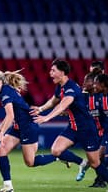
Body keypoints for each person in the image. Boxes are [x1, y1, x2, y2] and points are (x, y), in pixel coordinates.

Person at [31, 59, 108, 187]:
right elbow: (53, 101)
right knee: (56, 150)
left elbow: (62, 105)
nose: (50, 73)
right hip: (73, 128)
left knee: (95, 163)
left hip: (86, 130)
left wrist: (46, 118)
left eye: (53, 70)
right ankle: (82, 162)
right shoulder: (61, 87)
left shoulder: (71, 88)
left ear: (62, 72)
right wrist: (40, 109)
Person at [0, 69, 59, 192]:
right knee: (1, 151)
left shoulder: (5, 93)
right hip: (18, 127)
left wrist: (3, 132)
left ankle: (58, 157)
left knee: (30, 162)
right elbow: (11, 114)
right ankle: (8, 187)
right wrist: (0, 128)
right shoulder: (4, 91)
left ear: (0, 82)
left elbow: (11, 116)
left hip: (28, 127)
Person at [90, 73, 108, 187]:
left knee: (100, 158)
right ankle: (100, 180)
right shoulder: (101, 97)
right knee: (99, 158)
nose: (94, 85)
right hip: (105, 133)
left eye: (96, 83)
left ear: (103, 84)